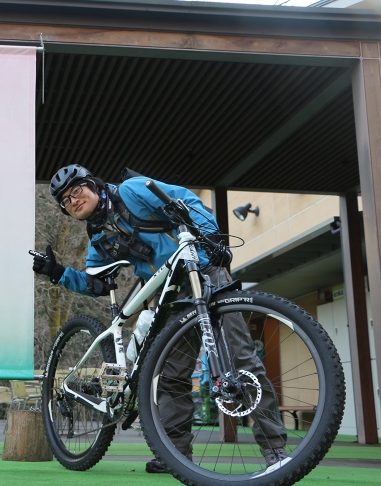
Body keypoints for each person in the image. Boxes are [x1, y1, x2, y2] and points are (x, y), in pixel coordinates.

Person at [32, 164, 288, 474]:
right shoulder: (98, 239)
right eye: (66, 201)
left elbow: (188, 202)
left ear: (93, 185)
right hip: (171, 299)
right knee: (171, 377)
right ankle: (174, 455)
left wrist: (211, 240)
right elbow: (96, 283)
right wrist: (58, 273)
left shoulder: (132, 191)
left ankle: (274, 449)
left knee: (241, 360)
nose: (74, 200)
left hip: (206, 273)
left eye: (77, 190)